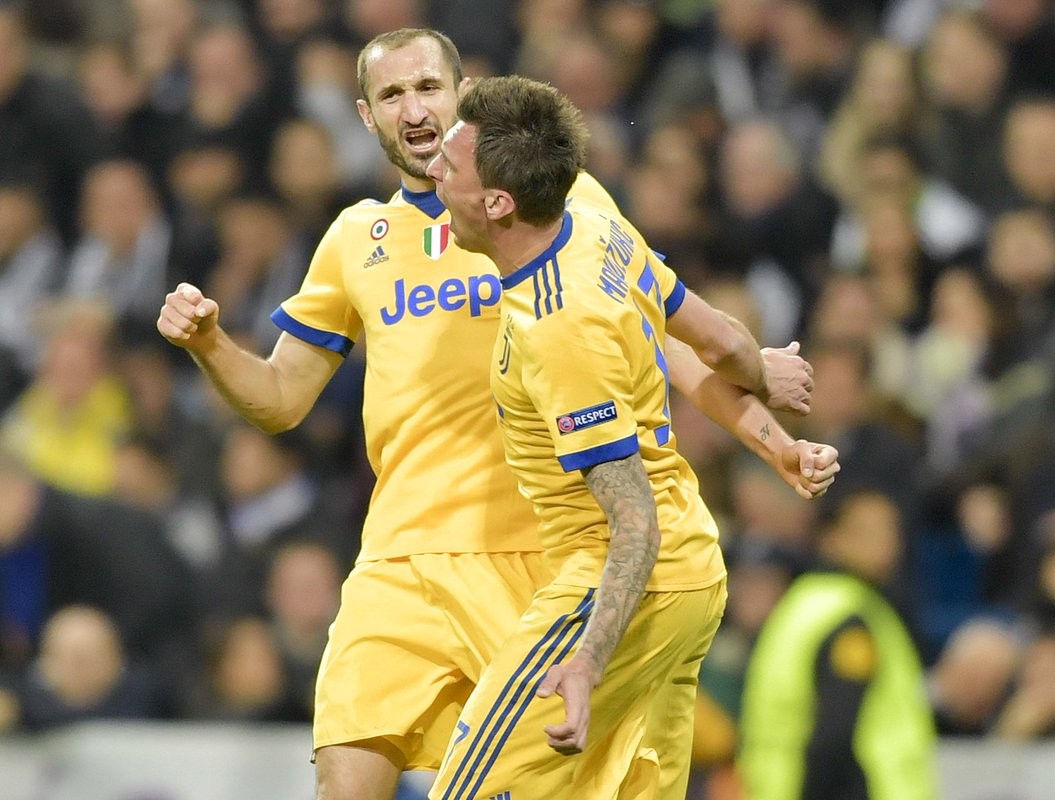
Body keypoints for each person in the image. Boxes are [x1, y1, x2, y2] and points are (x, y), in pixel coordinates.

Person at [156, 28, 839, 800]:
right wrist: (210, 344)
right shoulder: (355, 240)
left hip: (538, 557)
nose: (414, 109)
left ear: (462, 94)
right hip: (400, 557)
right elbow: (282, 398)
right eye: (392, 95)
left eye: (428, 87)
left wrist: (771, 442)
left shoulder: (560, 202)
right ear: (367, 115)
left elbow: (663, 340)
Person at [424, 73, 833, 799]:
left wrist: (586, 660)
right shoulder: (591, 219)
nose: (433, 172)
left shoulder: (559, 330)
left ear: (497, 203)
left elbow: (633, 520)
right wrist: (772, 417)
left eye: (448, 166)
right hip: (691, 574)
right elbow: (716, 339)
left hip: (622, 582)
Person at [739, 491, 938, 800]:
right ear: (831, 538)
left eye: (891, 530)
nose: (886, 543)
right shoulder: (848, 618)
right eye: (867, 532)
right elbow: (834, 735)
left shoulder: (802, 604)